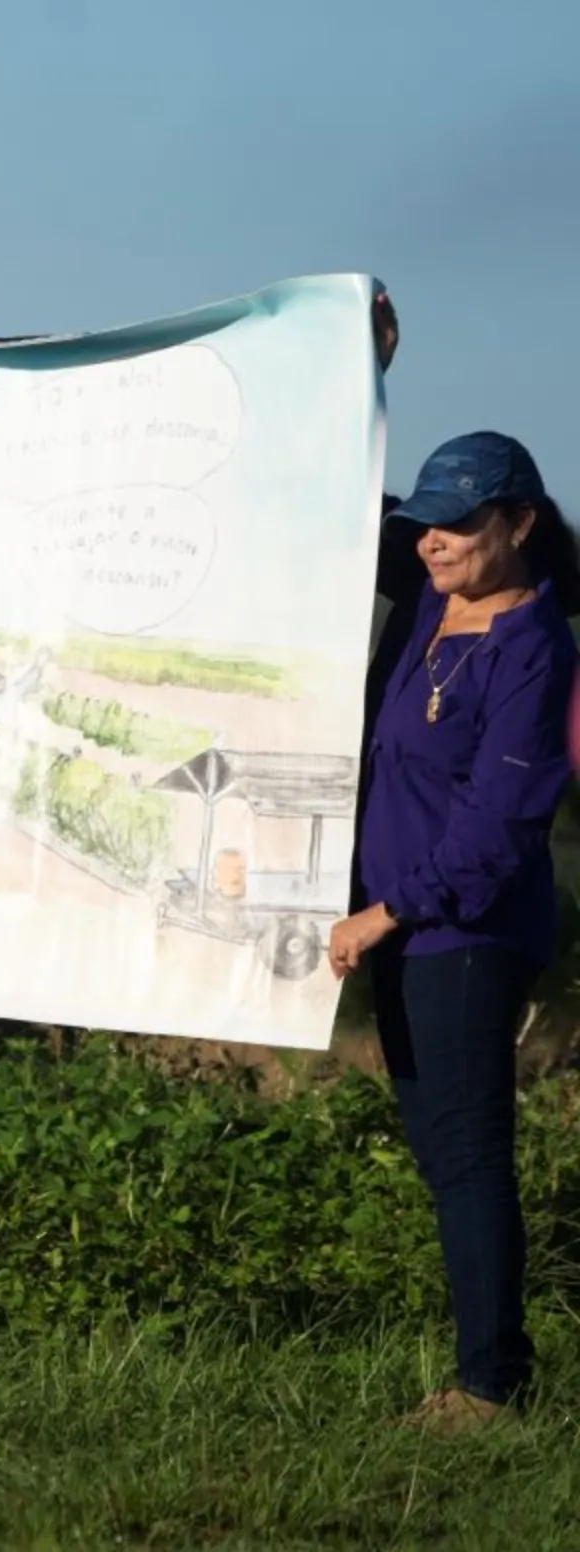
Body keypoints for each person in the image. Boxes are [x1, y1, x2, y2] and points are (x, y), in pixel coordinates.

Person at [332, 431, 579, 1435]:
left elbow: (497, 832)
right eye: (425, 522)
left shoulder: (536, 649)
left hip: (461, 932)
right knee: (442, 1150)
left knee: (471, 1152)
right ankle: (491, 1359)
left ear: (519, 523)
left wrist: (385, 913)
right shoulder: (437, 591)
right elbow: (349, 487)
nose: (433, 541)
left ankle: (490, 1387)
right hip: (396, 926)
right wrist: (368, 357)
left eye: (461, 522)